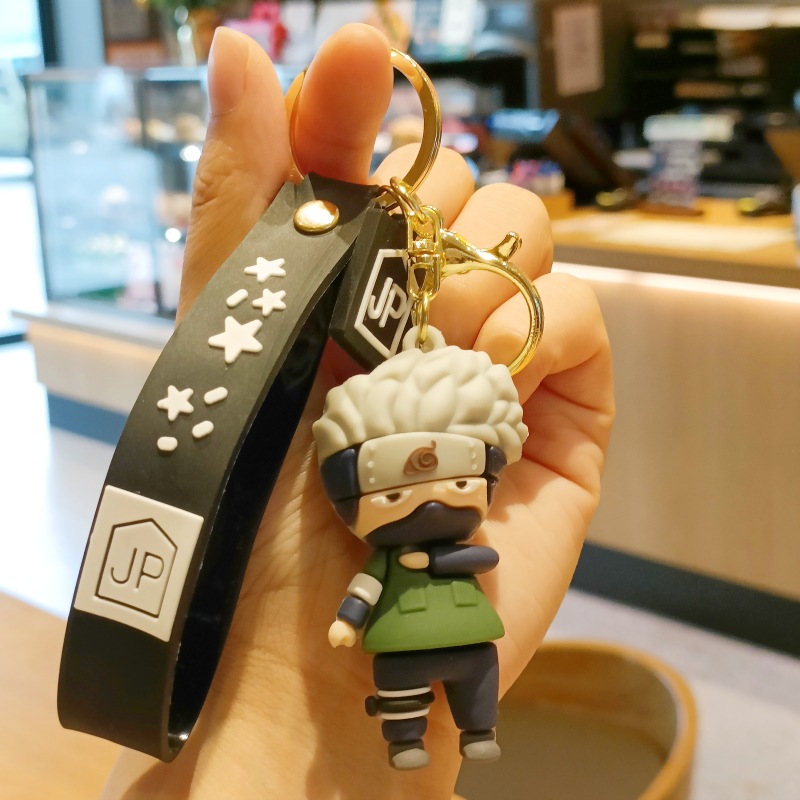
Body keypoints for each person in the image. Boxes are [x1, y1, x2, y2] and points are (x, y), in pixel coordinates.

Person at [101, 22, 614, 800]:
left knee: (462, 680)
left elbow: (455, 569)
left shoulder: (453, 531)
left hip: (444, 640)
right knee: (410, 684)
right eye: (392, 485)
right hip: (387, 646)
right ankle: (409, 726)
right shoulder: (376, 540)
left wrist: (329, 724)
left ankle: (461, 724)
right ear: (346, 485)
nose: (428, 497)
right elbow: (366, 596)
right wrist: (304, 666)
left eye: (457, 477)